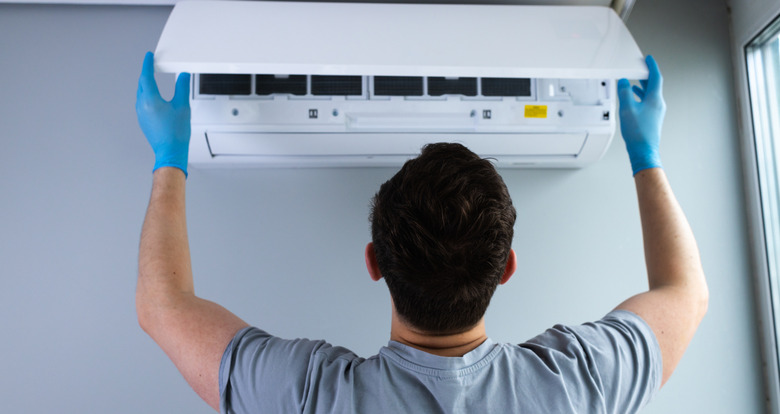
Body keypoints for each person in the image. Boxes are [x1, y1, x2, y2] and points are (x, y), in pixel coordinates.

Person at [135, 52, 708, 413]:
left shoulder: (310, 395)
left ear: (373, 262)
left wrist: (170, 157)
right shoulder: (578, 384)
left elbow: (162, 308)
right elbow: (687, 294)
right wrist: (645, 153)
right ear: (507, 267)